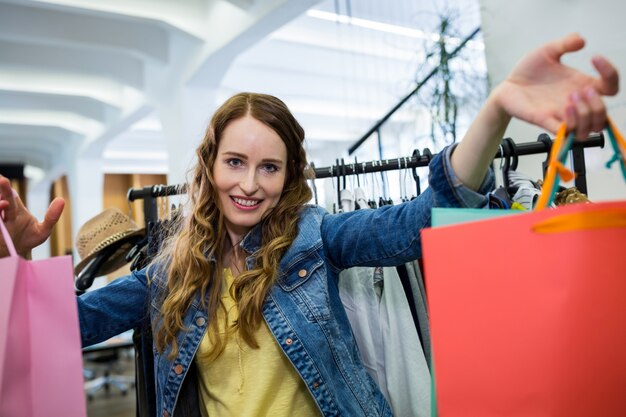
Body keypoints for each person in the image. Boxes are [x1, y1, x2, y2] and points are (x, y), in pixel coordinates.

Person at [0, 33, 619, 417]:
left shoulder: (315, 240)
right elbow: (63, 328)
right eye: (235, 162)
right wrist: (18, 266)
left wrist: (496, 110)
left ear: (290, 175)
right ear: (209, 165)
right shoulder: (171, 276)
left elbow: (424, 218)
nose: (249, 183)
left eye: (269, 167)